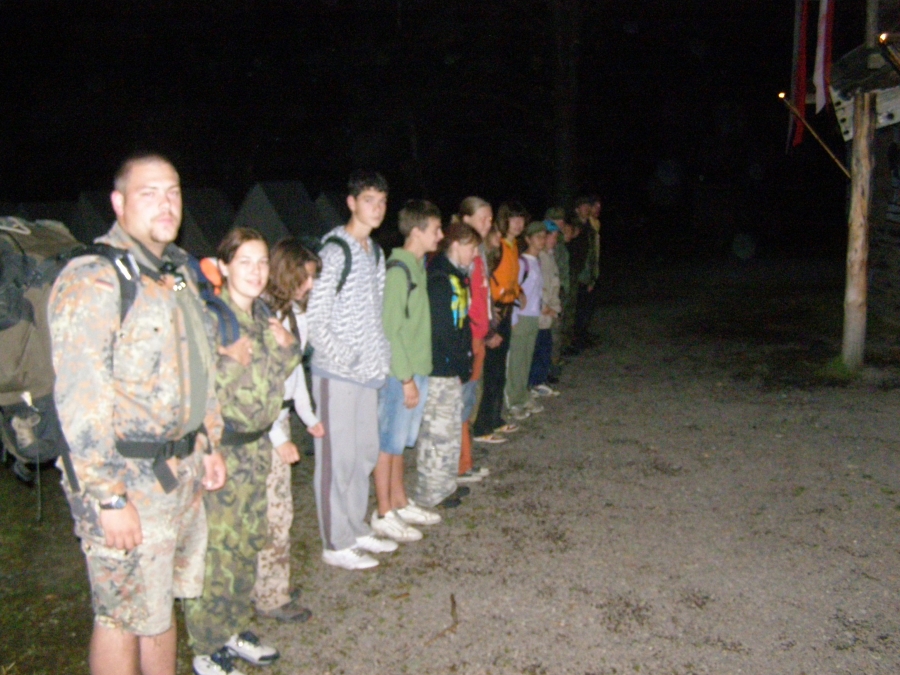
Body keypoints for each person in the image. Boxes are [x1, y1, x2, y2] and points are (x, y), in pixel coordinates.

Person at [48, 153, 227, 675]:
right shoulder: (95, 277)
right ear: (118, 203)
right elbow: (80, 402)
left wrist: (208, 441)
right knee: (121, 617)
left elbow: (199, 355)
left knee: (158, 603)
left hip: (178, 476)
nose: (166, 204)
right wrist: (109, 496)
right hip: (125, 481)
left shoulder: (175, 273)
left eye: (173, 192)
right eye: (149, 193)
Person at [184, 228, 302, 675]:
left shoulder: (263, 317)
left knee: (248, 543)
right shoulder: (211, 319)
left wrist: (290, 349)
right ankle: (206, 645)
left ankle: (232, 627)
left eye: (262, 262)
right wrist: (226, 360)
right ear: (225, 266)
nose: (256, 271)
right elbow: (196, 387)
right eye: (245, 261)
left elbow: (269, 378)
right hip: (223, 452)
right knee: (217, 551)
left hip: (257, 450)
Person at [306, 170, 396, 570]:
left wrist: (379, 359)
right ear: (351, 203)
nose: (377, 208)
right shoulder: (335, 252)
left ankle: (356, 528)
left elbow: (376, 314)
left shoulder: (374, 252)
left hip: (368, 373)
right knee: (336, 459)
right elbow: (315, 319)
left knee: (364, 454)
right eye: (369, 200)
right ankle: (335, 541)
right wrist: (348, 357)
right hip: (336, 374)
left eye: (382, 201)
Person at [253, 238, 322, 623]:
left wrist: (308, 417)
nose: (309, 285)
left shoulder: (295, 313)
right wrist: (279, 438)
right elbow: (258, 385)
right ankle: (270, 595)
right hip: (262, 423)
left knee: (279, 509)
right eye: (304, 277)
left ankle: (271, 582)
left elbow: (294, 374)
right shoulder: (261, 315)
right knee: (274, 512)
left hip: (278, 418)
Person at [373, 199, 444, 542]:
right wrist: (405, 379)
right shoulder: (398, 270)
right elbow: (391, 330)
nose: (440, 236)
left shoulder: (418, 266)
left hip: (417, 370)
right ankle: (383, 511)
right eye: (436, 230)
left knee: (400, 442)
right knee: (388, 443)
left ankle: (399, 500)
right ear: (416, 231)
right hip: (401, 374)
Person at [414, 221, 479, 508]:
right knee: (436, 433)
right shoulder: (439, 279)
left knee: (450, 429)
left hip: (453, 366)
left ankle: (445, 484)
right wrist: (458, 360)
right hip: (440, 367)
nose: (475, 254)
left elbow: (461, 323)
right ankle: (431, 492)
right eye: (471, 248)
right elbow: (441, 329)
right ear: (456, 245)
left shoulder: (457, 277)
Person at [454, 197, 502, 472]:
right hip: (469, 337)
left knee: (470, 397)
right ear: (466, 219)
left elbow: (483, 294)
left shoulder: (480, 250)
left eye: (490, 218)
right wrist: (476, 332)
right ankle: (460, 464)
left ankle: (465, 460)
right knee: (462, 399)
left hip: (479, 335)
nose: (488, 223)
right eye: (482, 217)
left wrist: (489, 325)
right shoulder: (463, 253)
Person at [472, 201, 525, 437]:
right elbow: (486, 278)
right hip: (494, 312)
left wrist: (518, 292)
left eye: (521, 219)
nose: (518, 223)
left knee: (499, 368)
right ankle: (482, 424)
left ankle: (495, 417)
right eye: (513, 218)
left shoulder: (513, 246)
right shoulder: (498, 245)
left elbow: (509, 277)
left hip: (507, 310)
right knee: (491, 369)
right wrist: (490, 309)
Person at [504, 220, 546, 419]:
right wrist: (513, 319)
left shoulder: (537, 262)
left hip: (532, 316)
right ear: (528, 239)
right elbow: (514, 291)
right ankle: (513, 400)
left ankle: (522, 395)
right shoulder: (522, 263)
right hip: (521, 317)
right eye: (538, 236)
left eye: (544, 236)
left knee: (526, 359)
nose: (542, 240)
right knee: (516, 361)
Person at [529, 220, 562, 397]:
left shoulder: (549, 257)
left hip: (548, 313)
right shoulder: (540, 258)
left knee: (545, 347)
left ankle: (539, 381)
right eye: (551, 237)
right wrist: (545, 307)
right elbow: (537, 286)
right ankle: (534, 383)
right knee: (539, 348)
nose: (553, 241)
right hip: (540, 313)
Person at [571, 195, 600, 349]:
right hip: (577, 274)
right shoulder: (574, 227)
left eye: (588, 206)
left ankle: (582, 336)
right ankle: (575, 340)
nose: (587, 209)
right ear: (577, 210)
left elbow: (592, 253)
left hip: (587, 273)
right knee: (577, 309)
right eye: (583, 206)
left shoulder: (589, 227)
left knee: (586, 307)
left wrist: (592, 275)